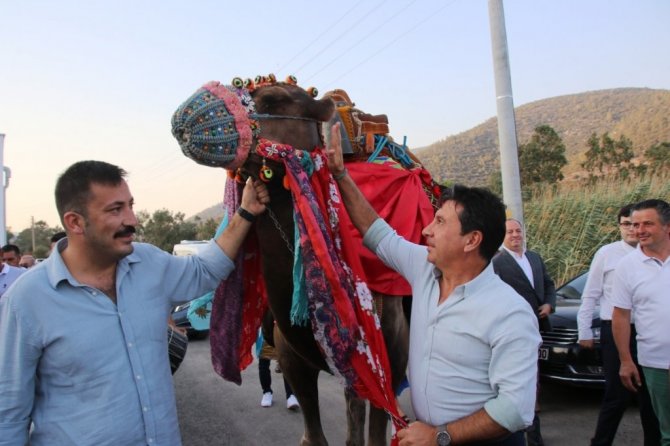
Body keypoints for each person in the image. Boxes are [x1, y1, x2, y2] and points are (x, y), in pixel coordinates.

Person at [0, 160, 269, 445]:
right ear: (75, 222)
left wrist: (245, 212)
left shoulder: (149, 262)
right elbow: (8, 415)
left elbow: (204, 270)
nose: (132, 220)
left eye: (130, 205)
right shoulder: (27, 300)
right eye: (115, 210)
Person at [325, 123, 541, 446]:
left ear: (472, 240)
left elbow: (513, 410)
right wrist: (341, 175)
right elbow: (377, 233)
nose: (426, 230)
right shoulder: (424, 269)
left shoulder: (510, 313)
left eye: (440, 222)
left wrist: (440, 436)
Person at [577, 204, 660, 446]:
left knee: (650, 397)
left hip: (646, 331)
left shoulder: (654, 255)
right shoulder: (607, 253)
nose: (633, 229)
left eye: (637, 224)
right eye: (627, 224)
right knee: (616, 396)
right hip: (614, 331)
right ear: (619, 227)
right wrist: (584, 330)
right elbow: (590, 294)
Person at [492, 219, 557, 446]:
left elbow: (549, 285)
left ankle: (534, 436)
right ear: (502, 236)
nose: (515, 235)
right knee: (522, 383)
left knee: (534, 382)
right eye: (509, 232)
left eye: (518, 231)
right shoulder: (496, 262)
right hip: (512, 331)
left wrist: (549, 304)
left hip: (538, 327)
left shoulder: (534, 258)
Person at [611, 199, 670, 445]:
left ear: (667, 226)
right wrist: (625, 360)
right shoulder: (627, 266)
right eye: (635, 225)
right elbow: (621, 315)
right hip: (656, 363)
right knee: (666, 432)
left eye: (647, 224)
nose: (639, 230)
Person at [256, 325, 300, 411]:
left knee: (287, 361)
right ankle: (267, 392)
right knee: (264, 360)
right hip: (266, 327)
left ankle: (291, 395)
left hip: (283, 328)